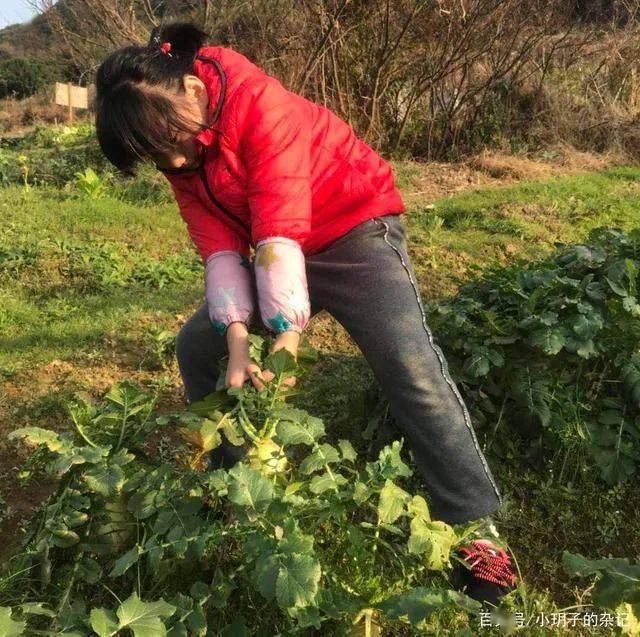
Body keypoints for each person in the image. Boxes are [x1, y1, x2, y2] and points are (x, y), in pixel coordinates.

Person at [94, 22, 517, 604]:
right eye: (157, 156)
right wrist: (239, 341)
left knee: (408, 363)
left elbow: (280, 217)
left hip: (352, 227)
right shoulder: (178, 147)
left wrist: (283, 351)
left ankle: (476, 528)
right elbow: (218, 244)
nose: (175, 159)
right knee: (198, 346)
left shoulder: (258, 105)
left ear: (193, 90)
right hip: (274, 249)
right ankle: (234, 484)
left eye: (175, 141)